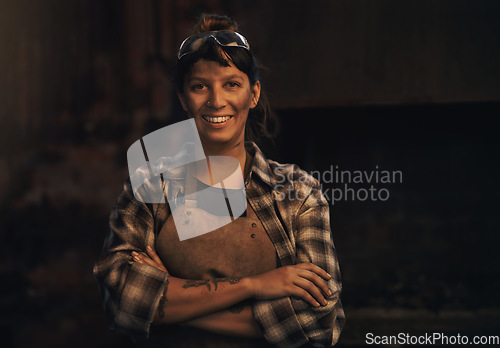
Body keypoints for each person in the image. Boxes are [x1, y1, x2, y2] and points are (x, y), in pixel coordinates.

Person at [93, 13, 345, 347]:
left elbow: (318, 320)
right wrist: (254, 286)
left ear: (252, 94)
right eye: (200, 87)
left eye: (231, 84)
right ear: (184, 99)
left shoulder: (298, 192)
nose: (216, 101)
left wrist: (168, 300)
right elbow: (122, 300)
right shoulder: (151, 185)